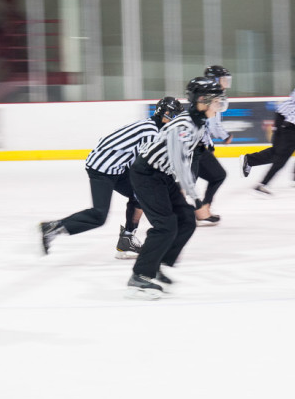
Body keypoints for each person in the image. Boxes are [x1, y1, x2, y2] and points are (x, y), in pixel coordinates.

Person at [39, 97, 184, 258]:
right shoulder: (150, 130)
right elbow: (147, 164)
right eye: (171, 115)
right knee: (99, 215)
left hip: (117, 168)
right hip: (102, 169)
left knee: (140, 195)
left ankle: (127, 239)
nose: (173, 120)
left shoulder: (152, 127)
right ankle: (53, 227)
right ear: (161, 113)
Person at [126, 78, 227, 300]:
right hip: (147, 175)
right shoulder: (182, 127)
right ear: (202, 101)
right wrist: (196, 199)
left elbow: (189, 159)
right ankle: (139, 276)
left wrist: (189, 195)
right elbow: (180, 163)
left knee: (187, 221)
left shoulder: (199, 123)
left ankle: (157, 265)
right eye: (216, 102)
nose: (219, 106)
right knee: (165, 226)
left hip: (163, 175)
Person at [191, 65, 233, 226]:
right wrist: (225, 136)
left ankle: (201, 209)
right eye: (223, 80)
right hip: (197, 145)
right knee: (216, 175)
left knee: (192, 179)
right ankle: (202, 210)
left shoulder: (204, 94)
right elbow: (213, 125)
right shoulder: (212, 96)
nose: (226, 83)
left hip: (199, 143)